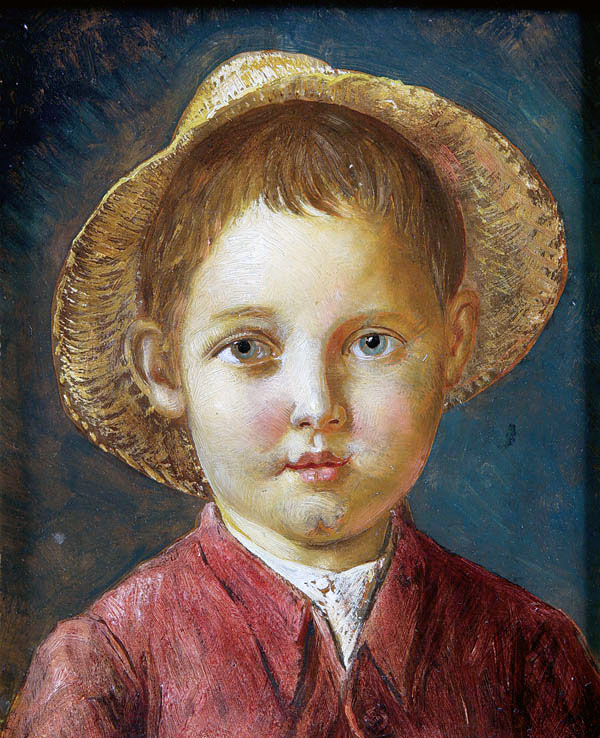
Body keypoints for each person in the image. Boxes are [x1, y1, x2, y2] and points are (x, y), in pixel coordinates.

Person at [3, 50, 599, 738]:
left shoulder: (532, 655)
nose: (318, 405)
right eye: (249, 349)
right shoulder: (104, 672)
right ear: (164, 370)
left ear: (453, 343)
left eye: (371, 342)